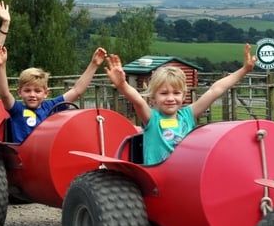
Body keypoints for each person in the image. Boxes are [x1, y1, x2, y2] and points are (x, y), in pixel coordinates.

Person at [104, 43, 256, 165]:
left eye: (176, 93)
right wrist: (123, 85)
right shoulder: (152, 118)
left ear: (183, 96)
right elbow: (137, 100)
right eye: (164, 93)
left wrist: (244, 70)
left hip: (184, 172)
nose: (171, 98)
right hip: (158, 178)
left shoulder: (187, 115)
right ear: (153, 98)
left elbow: (216, 90)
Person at [0, 44, 108, 143]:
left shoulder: (51, 107)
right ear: (19, 92)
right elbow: (4, 93)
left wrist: (94, 65)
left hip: (47, 154)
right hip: (25, 158)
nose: (32, 95)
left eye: (37, 91)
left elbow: (77, 90)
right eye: (27, 91)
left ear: (46, 93)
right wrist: (1, 65)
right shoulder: (17, 110)